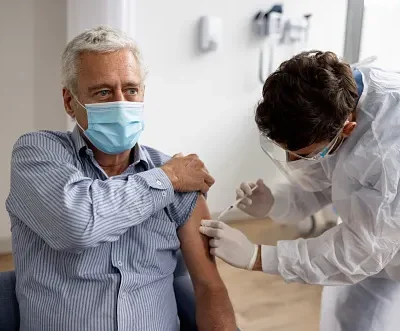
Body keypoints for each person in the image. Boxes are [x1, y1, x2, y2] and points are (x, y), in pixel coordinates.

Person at [6, 26, 236, 331]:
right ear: (69, 101)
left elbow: (210, 289)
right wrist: (167, 179)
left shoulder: (179, 177)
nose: (121, 103)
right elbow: (77, 225)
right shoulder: (37, 153)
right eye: (102, 92)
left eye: (131, 89)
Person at [200, 50, 400, 331]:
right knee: (352, 320)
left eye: (302, 154)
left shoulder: (389, 148)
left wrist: (259, 256)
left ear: (348, 129)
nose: (293, 162)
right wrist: (273, 201)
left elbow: (359, 251)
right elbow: (329, 178)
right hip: (375, 235)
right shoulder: (332, 94)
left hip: (384, 235)